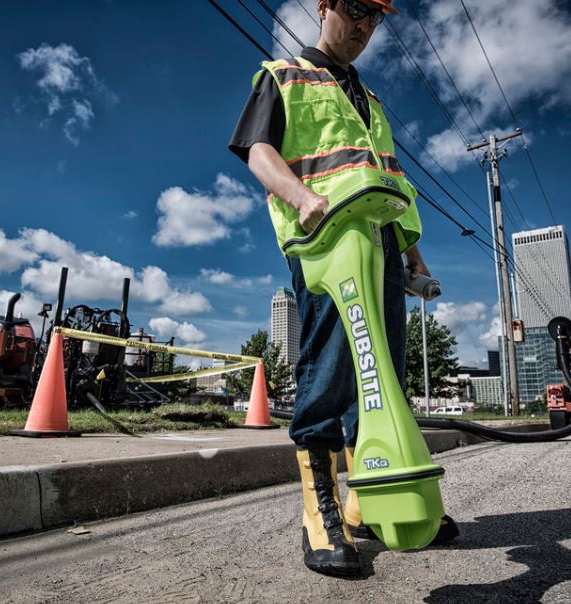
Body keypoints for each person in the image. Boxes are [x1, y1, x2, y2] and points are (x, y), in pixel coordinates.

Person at [230, 0, 456, 577]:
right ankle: (321, 516)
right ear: (325, 6)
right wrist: (304, 200)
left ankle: (373, 501)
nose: (363, 26)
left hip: (379, 248)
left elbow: (392, 183)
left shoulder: (372, 102)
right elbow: (259, 151)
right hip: (324, 245)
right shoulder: (282, 76)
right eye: (355, 9)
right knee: (330, 373)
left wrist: (414, 260)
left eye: (374, 18)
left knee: (382, 378)